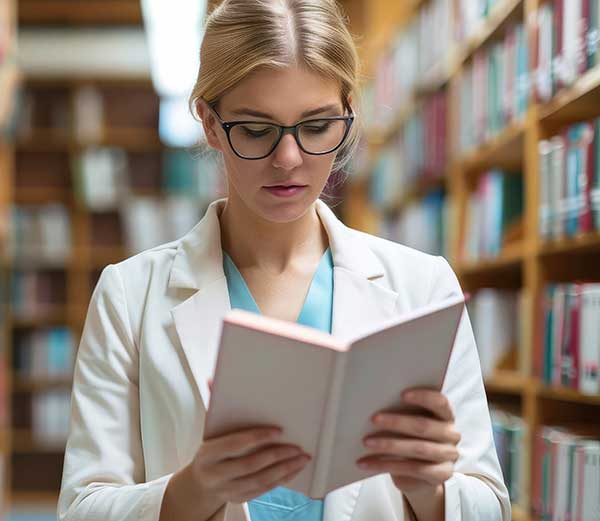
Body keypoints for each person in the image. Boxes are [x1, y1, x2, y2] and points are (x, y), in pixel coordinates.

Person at [57, 1, 511, 520]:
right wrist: (196, 487)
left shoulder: (423, 285)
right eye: (255, 130)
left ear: (348, 114)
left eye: (317, 127)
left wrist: (428, 487)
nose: (289, 159)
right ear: (209, 122)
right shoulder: (129, 295)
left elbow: (488, 507)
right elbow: (81, 510)